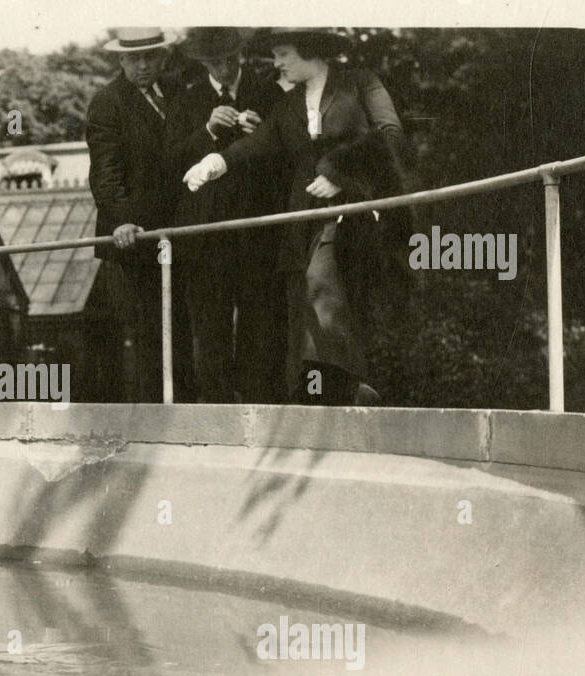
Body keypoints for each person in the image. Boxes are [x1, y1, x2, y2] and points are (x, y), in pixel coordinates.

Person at [183, 28, 407, 405]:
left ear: (309, 50)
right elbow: (259, 143)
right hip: (303, 224)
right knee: (304, 309)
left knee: (326, 295)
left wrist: (339, 174)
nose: (277, 63)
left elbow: (390, 135)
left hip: (352, 218)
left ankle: (341, 389)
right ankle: (330, 393)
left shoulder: (359, 82)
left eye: (283, 54)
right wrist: (215, 162)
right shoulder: (289, 105)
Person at [165, 27, 286, 403]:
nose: (225, 68)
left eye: (231, 59)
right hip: (207, 232)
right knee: (210, 322)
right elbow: (170, 165)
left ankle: (256, 401)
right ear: (203, 64)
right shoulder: (187, 101)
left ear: (241, 55)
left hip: (257, 228)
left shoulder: (268, 93)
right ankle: (215, 406)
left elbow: (289, 155)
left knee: (260, 319)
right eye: (216, 62)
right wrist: (207, 131)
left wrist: (262, 135)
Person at [86, 27, 187, 402]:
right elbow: (104, 170)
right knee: (147, 335)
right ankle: (149, 431)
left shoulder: (177, 91)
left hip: (176, 234)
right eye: (134, 58)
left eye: (151, 57)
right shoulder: (107, 102)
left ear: (164, 57)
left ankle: (186, 421)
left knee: (181, 330)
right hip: (134, 240)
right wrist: (121, 220)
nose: (143, 66)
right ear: (121, 60)